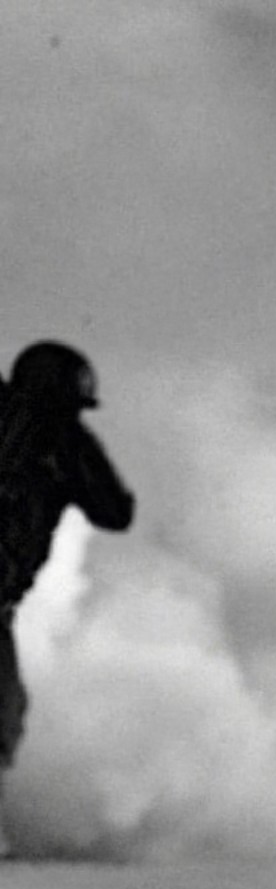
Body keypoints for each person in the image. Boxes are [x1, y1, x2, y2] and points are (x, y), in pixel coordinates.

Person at [0, 342, 136, 852]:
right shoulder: (63, 444)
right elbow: (116, 511)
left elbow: (114, 512)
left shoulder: (61, 445)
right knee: (3, 712)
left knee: (6, 710)